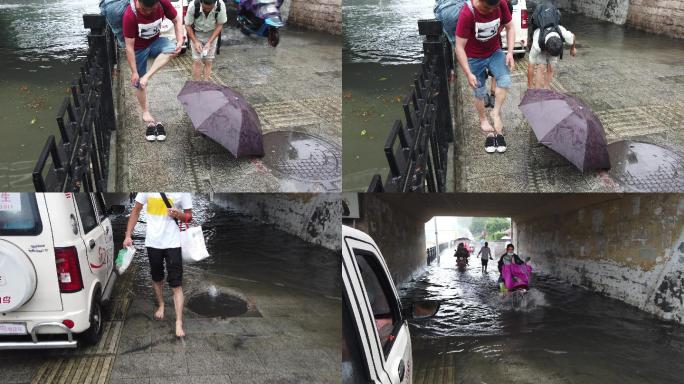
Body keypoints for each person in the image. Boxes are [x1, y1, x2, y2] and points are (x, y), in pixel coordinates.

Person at [123, 193, 193, 337]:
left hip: (173, 243)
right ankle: (161, 304)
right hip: (153, 243)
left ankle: (178, 322)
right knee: (157, 278)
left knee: (176, 283)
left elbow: (189, 217)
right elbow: (136, 210)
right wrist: (128, 235)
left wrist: (178, 214)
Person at [455, 0, 515, 154]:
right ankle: (483, 119)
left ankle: (495, 112)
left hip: (494, 51)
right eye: (488, 7)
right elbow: (459, 47)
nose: (491, 11)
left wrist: (509, 52)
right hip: (474, 57)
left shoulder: (501, 4)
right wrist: (468, 73)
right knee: (479, 91)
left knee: (505, 80)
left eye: (494, 7)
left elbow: (510, 27)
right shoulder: (467, 13)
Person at [123, 0, 184, 142]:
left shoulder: (163, 3)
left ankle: (147, 76)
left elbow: (176, 19)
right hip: (137, 48)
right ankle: (145, 112)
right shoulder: (130, 15)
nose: (148, 12)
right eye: (144, 9)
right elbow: (129, 47)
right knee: (138, 81)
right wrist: (134, 72)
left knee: (172, 49)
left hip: (155, 42)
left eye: (152, 9)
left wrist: (180, 40)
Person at [526, 0, 576, 88]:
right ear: (546, 49)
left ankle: (546, 89)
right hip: (542, 40)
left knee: (551, 66)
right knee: (541, 66)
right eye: (549, 53)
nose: (549, 55)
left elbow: (573, 36)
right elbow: (531, 66)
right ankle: (537, 91)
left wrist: (572, 48)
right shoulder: (537, 45)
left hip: (551, 43)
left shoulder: (562, 32)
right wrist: (529, 88)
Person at [185, 0, 227, 81]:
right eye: (204, 9)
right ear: (201, 2)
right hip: (196, 34)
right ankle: (197, 84)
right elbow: (188, 25)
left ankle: (206, 83)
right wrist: (195, 41)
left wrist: (209, 42)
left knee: (208, 60)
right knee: (197, 60)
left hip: (212, 34)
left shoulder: (220, 5)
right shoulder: (193, 6)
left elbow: (219, 25)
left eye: (210, 9)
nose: (207, 10)